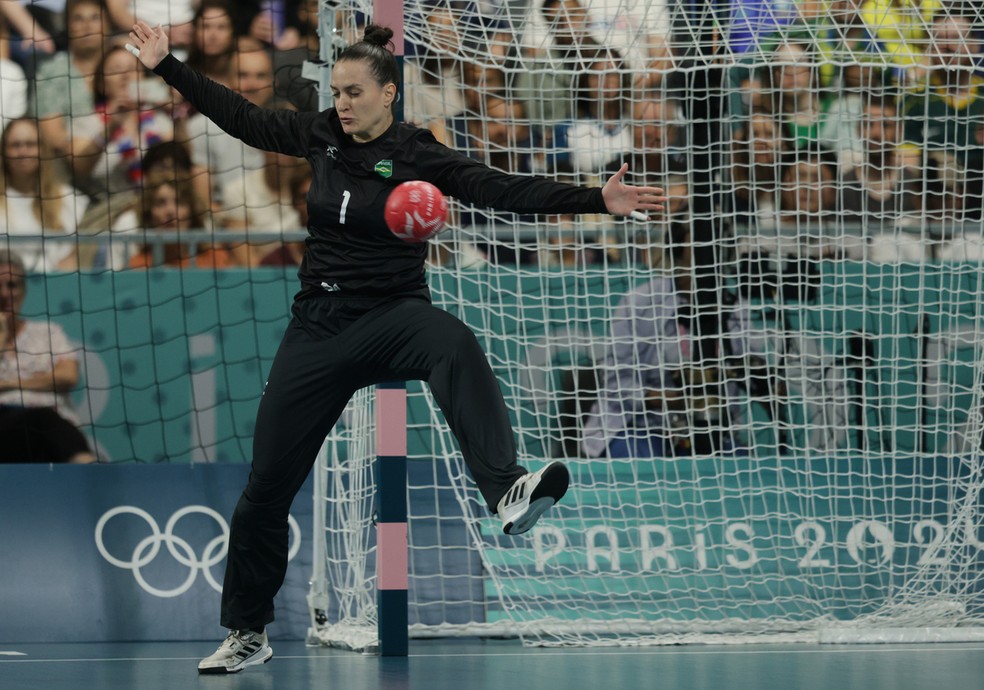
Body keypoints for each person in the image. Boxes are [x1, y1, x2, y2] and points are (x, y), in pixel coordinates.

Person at [126, 20, 665, 673]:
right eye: (338, 92)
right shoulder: (321, 134)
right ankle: (248, 631)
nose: (342, 103)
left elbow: (500, 188)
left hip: (394, 314)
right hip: (320, 324)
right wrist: (168, 67)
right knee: (266, 487)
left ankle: (505, 491)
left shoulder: (419, 153)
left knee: (455, 342)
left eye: (354, 92)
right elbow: (242, 117)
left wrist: (594, 200)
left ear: (388, 94)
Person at [0, 249, 95, 463]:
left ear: (23, 291)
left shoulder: (48, 332)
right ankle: (90, 473)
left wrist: (8, 383)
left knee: (46, 422)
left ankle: (91, 480)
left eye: (12, 285)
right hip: (5, 428)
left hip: (51, 429)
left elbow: (68, 376)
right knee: (42, 419)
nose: (5, 294)